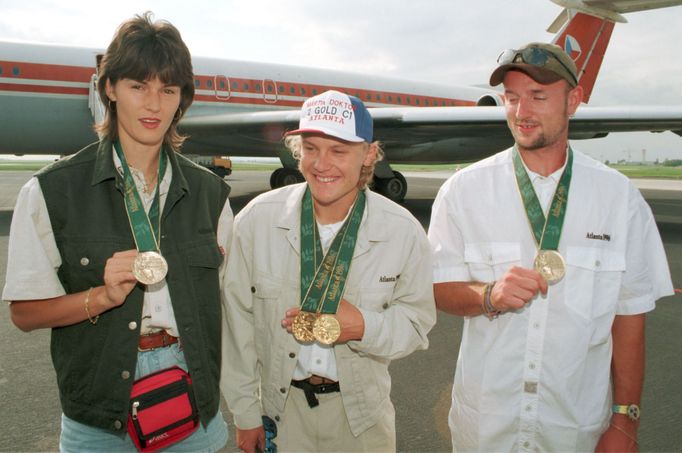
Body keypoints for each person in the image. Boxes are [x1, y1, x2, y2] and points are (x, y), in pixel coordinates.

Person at [2, 12, 232, 452]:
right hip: (99, 414)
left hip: (194, 400)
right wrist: (101, 298)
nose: (153, 104)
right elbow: (24, 314)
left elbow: (228, 309)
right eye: (137, 86)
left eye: (168, 90)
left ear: (181, 98)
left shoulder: (212, 196)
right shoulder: (50, 192)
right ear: (109, 88)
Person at [428, 42, 674, 452]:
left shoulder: (619, 198)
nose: (522, 112)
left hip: (574, 428)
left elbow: (630, 316)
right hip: (486, 427)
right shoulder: (463, 191)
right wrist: (488, 295)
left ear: (573, 101)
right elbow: (438, 287)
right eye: (512, 98)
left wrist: (625, 420)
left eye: (538, 97)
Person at [221, 89, 436, 453]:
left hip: (362, 420)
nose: (322, 164)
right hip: (280, 414)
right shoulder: (257, 221)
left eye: (338, 151)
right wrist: (244, 414)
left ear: (369, 154)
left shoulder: (402, 231)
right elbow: (235, 324)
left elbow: (416, 324)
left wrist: (363, 326)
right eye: (311, 149)